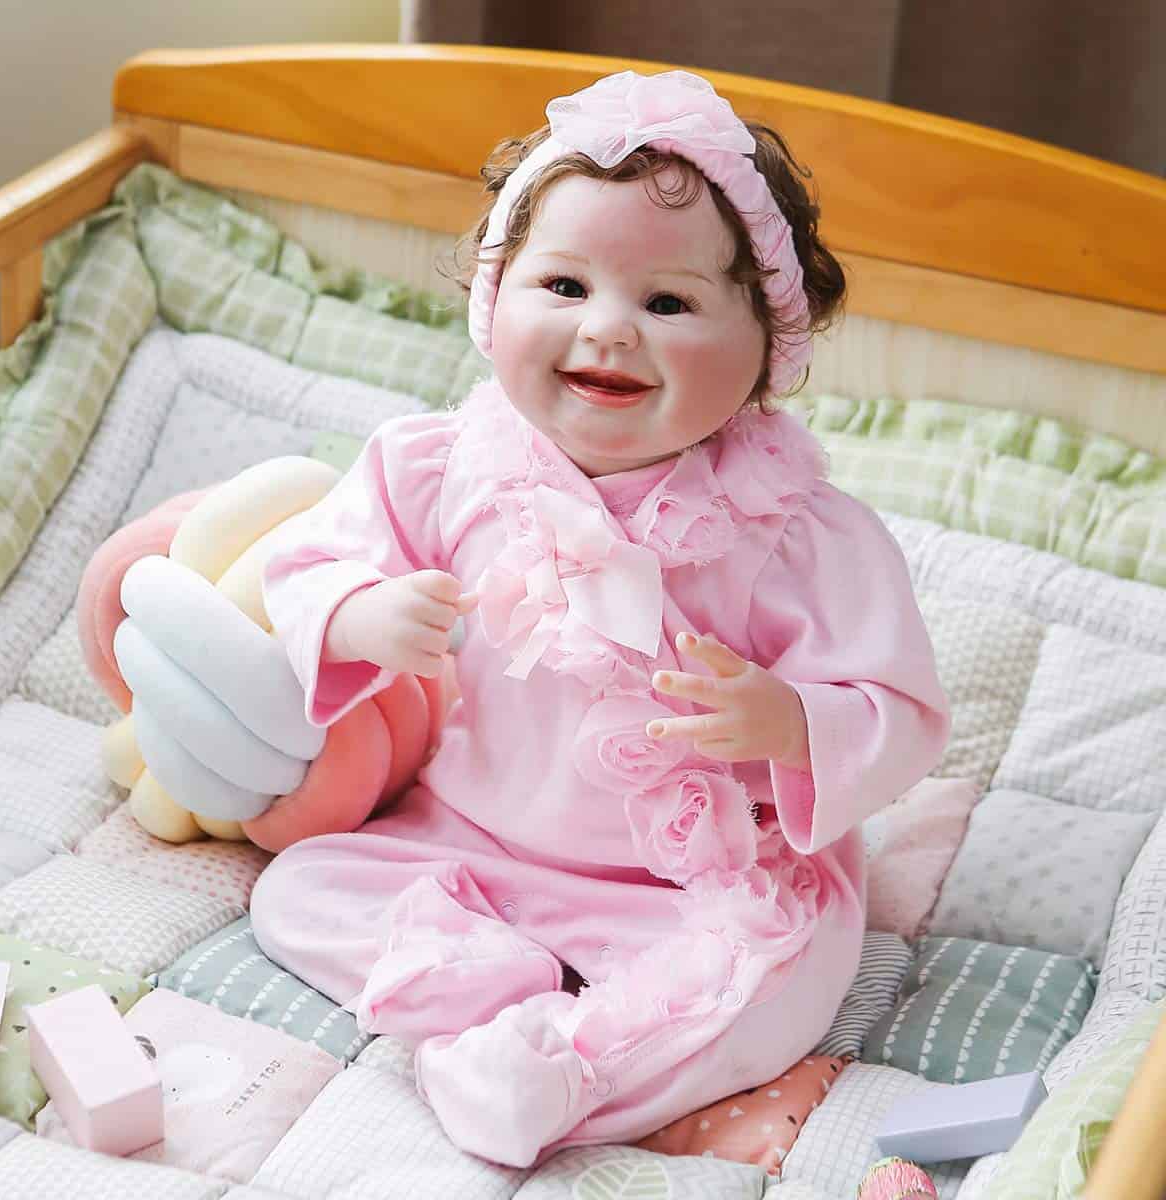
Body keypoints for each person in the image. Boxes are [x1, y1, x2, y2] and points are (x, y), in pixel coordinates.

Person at [246, 69, 951, 1167]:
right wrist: (359, 613)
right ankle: (486, 984)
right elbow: (301, 565)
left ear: (770, 344)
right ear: (495, 298)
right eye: (565, 285)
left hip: (689, 883)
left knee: (779, 983)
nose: (610, 330)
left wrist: (788, 721)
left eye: (667, 304)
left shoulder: (793, 532)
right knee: (297, 892)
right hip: (470, 842)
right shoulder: (439, 467)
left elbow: (900, 708)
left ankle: (561, 1070)